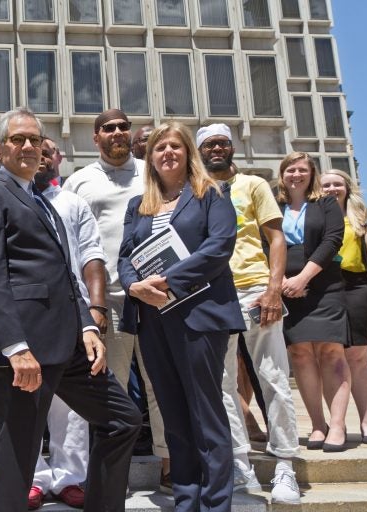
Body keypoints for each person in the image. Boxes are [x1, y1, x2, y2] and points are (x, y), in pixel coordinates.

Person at [0, 107, 141, 512]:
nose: (28, 146)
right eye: (17, 139)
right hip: (26, 351)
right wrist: (14, 347)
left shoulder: (43, 202)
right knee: (18, 453)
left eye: (34, 140)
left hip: (71, 346)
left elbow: (65, 276)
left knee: (123, 420)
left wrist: (87, 327)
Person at [118, 121, 245, 512]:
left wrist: (166, 281)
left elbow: (219, 247)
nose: (168, 153)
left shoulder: (212, 194)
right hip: (153, 318)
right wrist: (133, 286)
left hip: (200, 316)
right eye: (160, 148)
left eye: (175, 146)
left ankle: (215, 503)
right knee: (172, 412)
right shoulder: (137, 205)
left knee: (205, 412)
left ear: (188, 152)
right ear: (150, 157)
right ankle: (186, 500)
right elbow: (124, 257)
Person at [61, 109, 168, 487]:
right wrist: (92, 305)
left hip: (157, 294)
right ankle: (111, 474)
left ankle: (169, 463)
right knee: (112, 389)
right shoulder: (79, 181)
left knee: (161, 383)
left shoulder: (151, 172)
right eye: (108, 128)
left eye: (124, 127)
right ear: (96, 137)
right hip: (109, 300)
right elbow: (72, 244)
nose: (118, 132)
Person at [197, 124, 301, 504]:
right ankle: (239, 462)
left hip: (257, 290)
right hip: (213, 294)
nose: (218, 149)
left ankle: (285, 465)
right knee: (222, 384)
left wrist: (274, 289)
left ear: (232, 147)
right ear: (200, 150)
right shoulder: (196, 189)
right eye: (209, 144)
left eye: (223, 142)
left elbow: (276, 238)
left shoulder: (254, 185)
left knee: (273, 378)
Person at [28, 139, 108, 509]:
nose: (41, 155)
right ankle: (32, 476)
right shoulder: (11, 200)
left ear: (58, 158)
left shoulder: (74, 204)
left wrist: (96, 308)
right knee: (25, 396)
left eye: (48, 150)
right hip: (28, 314)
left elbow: (92, 256)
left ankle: (70, 477)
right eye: (34, 148)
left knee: (71, 401)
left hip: (73, 312)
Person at [276, 153, 350, 453]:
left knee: (331, 354)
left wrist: (302, 278)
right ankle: (318, 425)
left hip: (323, 285)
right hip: (286, 287)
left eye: (302, 170)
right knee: (301, 354)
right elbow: (267, 241)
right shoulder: (276, 204)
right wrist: (278, 281)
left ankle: (339, 425)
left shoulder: (327, 204)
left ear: (312, 174)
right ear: (282, 174)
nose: (296, 174)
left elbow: (332, 240)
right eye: (290, 169)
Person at [320, 169, 367, 444]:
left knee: (359, 357)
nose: (331, 189)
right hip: (325, 287)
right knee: (331, 356)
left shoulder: (361, 217)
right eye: (326, 185)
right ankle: (336, 423)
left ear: (347, 187)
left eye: (336, 184)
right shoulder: (315, 215)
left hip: (356, 285)